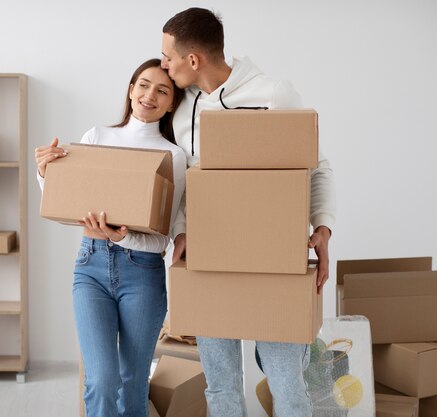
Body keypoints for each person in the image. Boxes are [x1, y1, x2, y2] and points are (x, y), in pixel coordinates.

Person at [161, 8, 336, 417]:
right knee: (220, 388)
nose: (164, 65)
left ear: (193, 60)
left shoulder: (272, 94)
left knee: (287, 386)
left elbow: (317, 164)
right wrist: (183, 230)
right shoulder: (181, 106)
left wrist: (323, 228)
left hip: (273, 262)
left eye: (168, 56)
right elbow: (184, 181)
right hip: (209, 259)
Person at [35, 58, 186, 417]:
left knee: (132, 380)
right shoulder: (97, 137)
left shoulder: (174, 156)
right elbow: (65, 204)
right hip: (90, 269)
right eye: (143, 85)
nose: (150, 95)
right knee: (101, 380)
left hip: (143, 273)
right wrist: (44, 173)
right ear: (131, 90)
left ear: (171, 104)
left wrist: (120, 238)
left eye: (162, 90)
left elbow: (160, 241)